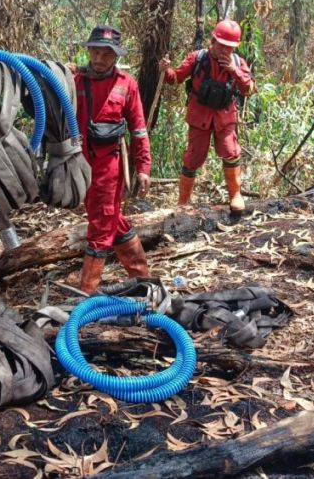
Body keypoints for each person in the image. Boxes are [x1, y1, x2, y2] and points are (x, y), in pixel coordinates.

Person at [73, 25, 152, 294]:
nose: (99, 59)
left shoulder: (126, 85)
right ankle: (143, 280)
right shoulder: (74, 81)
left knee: (101, 225)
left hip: (109, 167)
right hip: (79, 165)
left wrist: (143, 167)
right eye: (95, 52)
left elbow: (138, 128)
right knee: (112, 220)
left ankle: (87, 293)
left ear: (115, 57)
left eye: (106, 54)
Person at [158, 19, 255, 212]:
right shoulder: (198, 58)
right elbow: (176, 78)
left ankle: (235, 194)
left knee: (231, 150)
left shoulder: (237, 62)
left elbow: (250, 89)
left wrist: (234, 71)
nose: (225, 50)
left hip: (225, 117)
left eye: (230, 47)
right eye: (222, 45)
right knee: (193, 158)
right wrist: (165, 70)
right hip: (199, 117)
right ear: (213, 41)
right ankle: (183, 203)